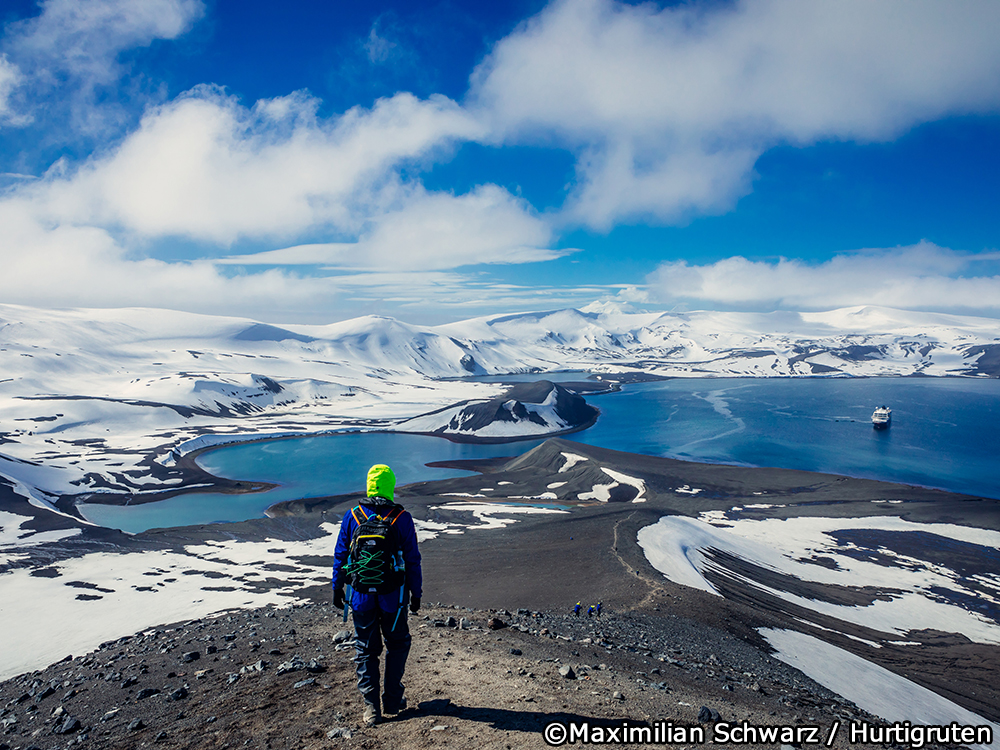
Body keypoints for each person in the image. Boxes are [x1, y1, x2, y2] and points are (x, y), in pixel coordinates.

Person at [333, 464, 422, 727]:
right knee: (397, 644)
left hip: (360, 597)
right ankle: (393, 700)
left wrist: (337, 587)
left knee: (366, 650)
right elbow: (413, 560)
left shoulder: (353, 516)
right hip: (393, 598)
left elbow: (341, 555)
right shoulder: (401, 518)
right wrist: (415, 594)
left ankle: (371, 708)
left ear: (370, 485)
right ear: (390, 486)